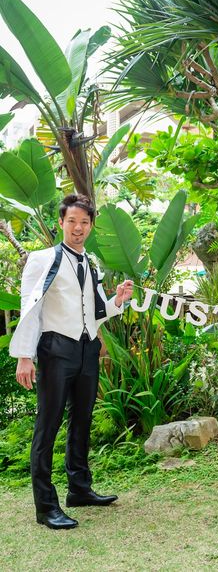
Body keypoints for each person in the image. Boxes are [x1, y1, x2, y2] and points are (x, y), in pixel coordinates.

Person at [10, 194, 134, 530]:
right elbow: (30, 307)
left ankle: (79, 489)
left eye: (84, 222)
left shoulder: (90, 262)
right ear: (61, 223)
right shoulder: (42, 259)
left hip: (86, 349)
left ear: (91, 226)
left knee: (82, 421)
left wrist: (118, 301)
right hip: (56, 349)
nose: (78, 228)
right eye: (72, 222)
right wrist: (25, 356)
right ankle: (45, 506)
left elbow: (95, 311)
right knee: (47, 426)